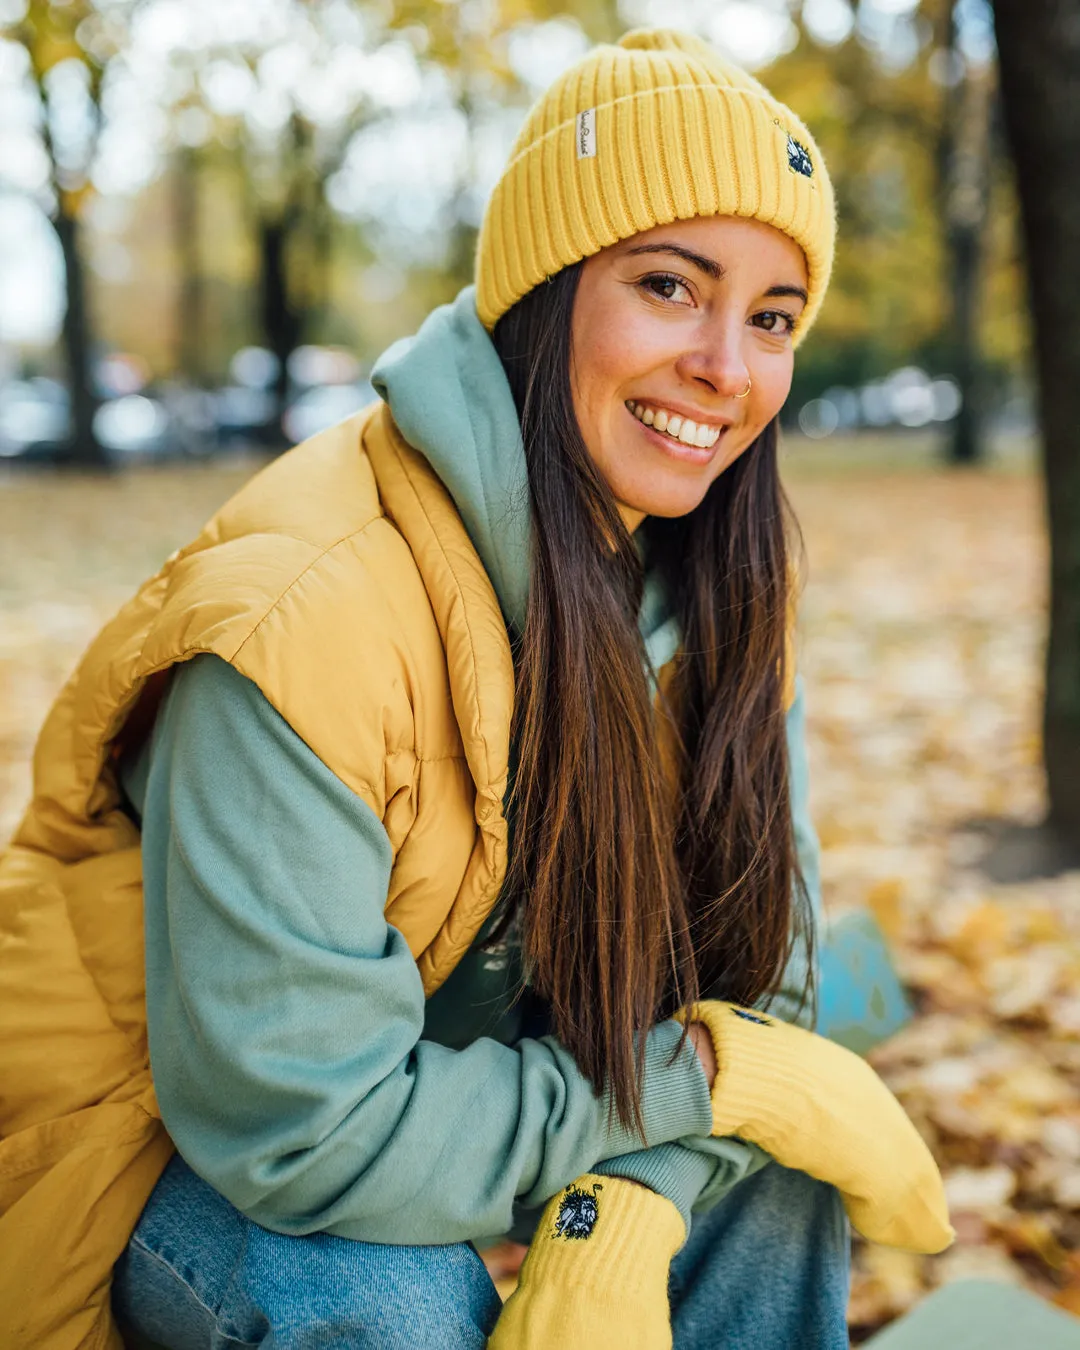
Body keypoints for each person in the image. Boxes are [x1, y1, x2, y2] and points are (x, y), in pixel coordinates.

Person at [0, 28, 952, 1350]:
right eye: (672, 285)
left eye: (773, 317)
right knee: (384, 1296)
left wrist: (622, 1211)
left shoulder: (723, 588)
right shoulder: (301, 617)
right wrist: (696, 1088)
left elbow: (765, 982)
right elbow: (303, 1124)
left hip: (451, 1102)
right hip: (165, 1157)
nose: (727, 370)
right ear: (544, 289)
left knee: (774, 1179)